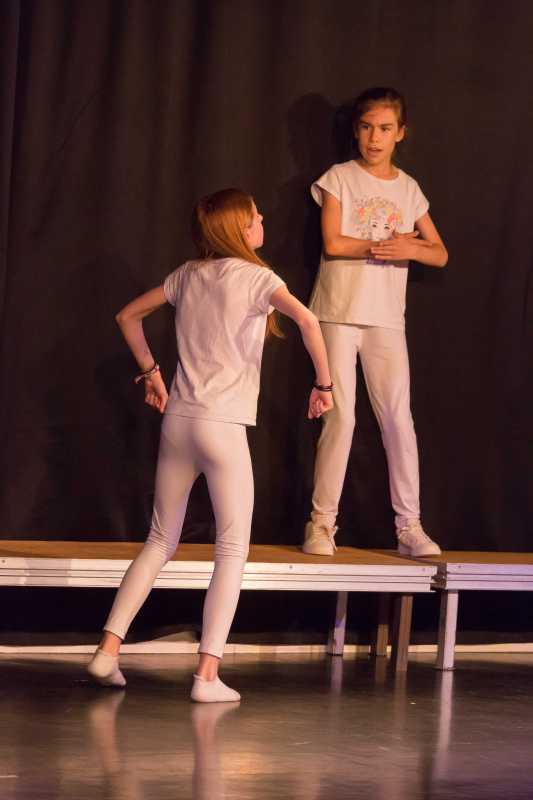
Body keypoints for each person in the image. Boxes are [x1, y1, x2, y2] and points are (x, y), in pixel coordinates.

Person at [87, 188, 333, 702]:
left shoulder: (187, 275)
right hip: (222, 427)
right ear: (239, 228)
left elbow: (126, 317)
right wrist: (324, 385)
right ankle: (206, 675)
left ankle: (107, 651)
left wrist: (151, 373)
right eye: (256, 216)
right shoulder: (260, 279)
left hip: (179, 422)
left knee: (159, 540)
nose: (263, 220)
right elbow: (309, 321)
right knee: (232, 548)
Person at [303, 87, 448, 559]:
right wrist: (384, 245)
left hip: (385, 318)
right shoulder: (339, 177)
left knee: (398, 420)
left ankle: (409, 526)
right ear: (356, 130)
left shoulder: (408, 188)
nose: (374, 138)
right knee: (341, 418)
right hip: (338, 312)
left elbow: (440, 253)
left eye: (384, 129)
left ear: (400, 133)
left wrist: (412, 247)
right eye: (366, 127)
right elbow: (333, 242)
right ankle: (322, 523)